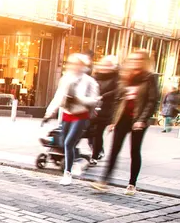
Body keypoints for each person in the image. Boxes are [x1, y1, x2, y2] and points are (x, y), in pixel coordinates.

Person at [93, 50, 159, 196]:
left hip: (138, 120)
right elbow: (118, 99)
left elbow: (152, 100)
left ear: (144, 62)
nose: (135, 62)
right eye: (133, 59)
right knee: (114, 149)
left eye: (139, 59)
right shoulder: (126, 76)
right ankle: (103, 181)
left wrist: (142, 120)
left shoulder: (150, 78)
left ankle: (132, 184)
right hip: (123, 118)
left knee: (134, 151)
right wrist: (113, 121)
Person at [43, 53, 99, 186]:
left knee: (68, 143)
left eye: (76, 63)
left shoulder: (89, 81)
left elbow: (94, 100)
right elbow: (58, 96)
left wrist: (78, 99)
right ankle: (80, 160)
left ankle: (67, 173)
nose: (73, 66)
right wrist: (49, 113)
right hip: (66, 114)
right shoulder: (66, 78)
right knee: (63, 143)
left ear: (82, 65)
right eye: (71, 63)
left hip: (80, 116)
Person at [88, 56, 120, 165]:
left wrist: (103, 96)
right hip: (93, 107)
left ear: (112, 67)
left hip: (106, 109)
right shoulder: (95, 76)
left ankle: (94, 156)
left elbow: (117, 91)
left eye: (108, 65)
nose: (105, 67)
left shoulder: (116, 78)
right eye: (103, 64)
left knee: (97, 132)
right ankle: (97, 150)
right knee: (89, 131)